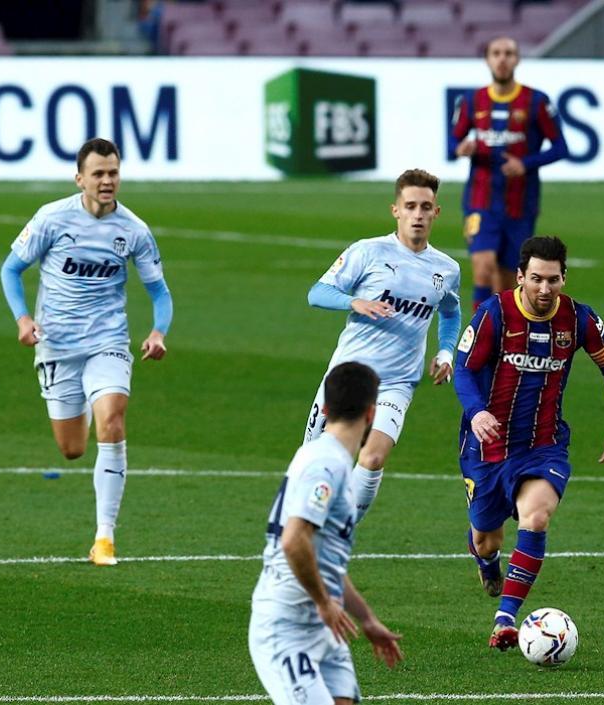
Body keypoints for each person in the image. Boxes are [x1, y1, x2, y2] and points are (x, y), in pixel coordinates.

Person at [454, 236, 604, 650]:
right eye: (535, 279)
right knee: (487, 537)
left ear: (563, 278)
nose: (544, 289)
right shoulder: (494, 313)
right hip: (487, 447)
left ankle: (505, 619)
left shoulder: (579, 319)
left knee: (535, 518)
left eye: (553, 280)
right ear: (520, 277)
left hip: (544, 446)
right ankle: (486, 559)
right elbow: (465, 371)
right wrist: (478, 411)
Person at [0, 137, 173, 567]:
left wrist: (158, 331)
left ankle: (105, 539)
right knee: (73, 449)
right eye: (98, 173)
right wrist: (23, 319)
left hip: (108, 341)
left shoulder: (134, 230)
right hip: (56, 344)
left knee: (112, 422)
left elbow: (159, 292)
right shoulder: (51, 219)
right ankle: (83, 414)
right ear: (80, 179)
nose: (107, 180)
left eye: (113, 172)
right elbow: (11, 269)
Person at [304, 168, 461, 525]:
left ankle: (342, 531)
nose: (417, 215)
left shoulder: (446, 269)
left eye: (425, 207)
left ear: (436, 212)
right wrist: (353, 303)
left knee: (373, 459)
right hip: (348, 377)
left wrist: (446, 351)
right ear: (396, 210)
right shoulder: (367, 252)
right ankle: (301, 523)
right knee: (317, 460)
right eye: (410, 206)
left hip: (397, 382)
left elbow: (451, 312)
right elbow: (317, 293)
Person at [250, 362, 404, 705]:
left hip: (325, 625)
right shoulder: (326, 464)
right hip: (286, 625)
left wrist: (366, 618)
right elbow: (293, 540)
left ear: (325, 408)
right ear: (371, 413)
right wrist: (323, 602)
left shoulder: (332, 461)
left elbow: (325, 559)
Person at [448, 36, 568, 311]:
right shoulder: (471, 101)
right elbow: (451, 142)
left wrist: (525, 164)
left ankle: (498, 339)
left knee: (504, 283)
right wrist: (461, 148)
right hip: (480, 201)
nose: (502, 59)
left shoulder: (536, 102)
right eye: (496, 53)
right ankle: (476, 336)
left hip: (520, 205)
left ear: (517, 59)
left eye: (508, 53)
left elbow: (561, 147)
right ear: (488, 59)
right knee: (482, 268)